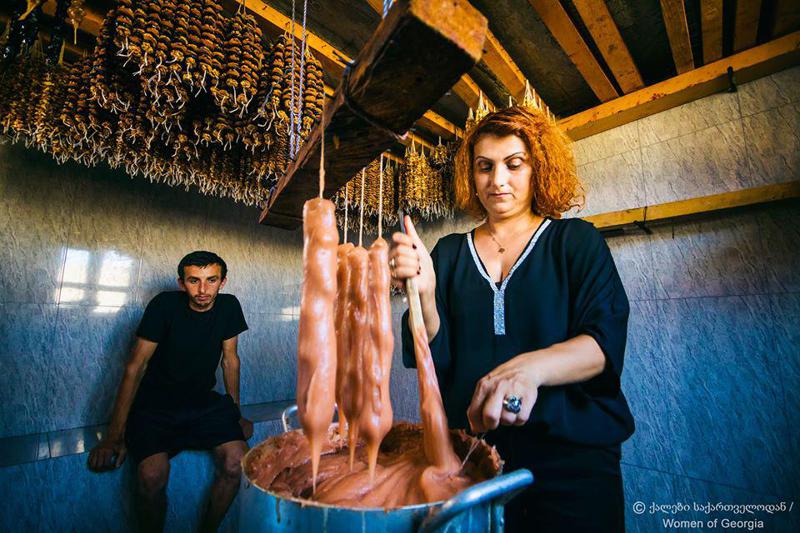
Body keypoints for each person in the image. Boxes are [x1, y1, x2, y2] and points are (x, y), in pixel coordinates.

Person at [389, 106, 634, 532]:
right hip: (471, 462)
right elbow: (430, 352)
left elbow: (603, 342)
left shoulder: (575, 242)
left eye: (513, 164)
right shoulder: (449, 253)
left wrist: (529, 370)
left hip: (572, 463)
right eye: (484, 167)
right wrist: (424, 294)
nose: (497, 180)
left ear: (538, 168)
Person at [87, 251, 253, 533]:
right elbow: (135, 366)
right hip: (155, 404)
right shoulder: (164, 305)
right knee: (151, 475)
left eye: (211, 280)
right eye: (194, 281)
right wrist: (113, 436)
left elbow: (230, 360)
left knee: (238, 463)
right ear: (181, 283)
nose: (203, 289)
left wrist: (235, 414)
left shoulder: (229, 306)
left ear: (222, 282)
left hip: (203, 402)